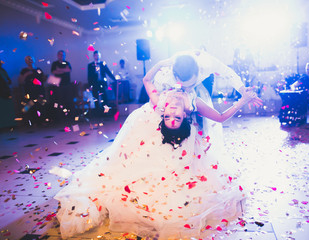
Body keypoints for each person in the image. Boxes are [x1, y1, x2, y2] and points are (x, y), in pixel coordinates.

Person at [54, 58, 257, 239]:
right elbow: (221, 117)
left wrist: (160, 65)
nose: (172, 114)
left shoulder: (160, 101)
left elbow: (146, 81)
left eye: (170, 117)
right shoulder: (192, 103)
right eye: (174, 117)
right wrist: (243, 100)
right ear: (185, 116)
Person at [19, 56, 47, 124]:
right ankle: (34, 123)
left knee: (41, 106)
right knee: (31, 107)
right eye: (28, 59)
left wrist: (46, 78)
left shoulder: (38, 69)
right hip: (30, 92)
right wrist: (26, 75)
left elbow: (43, 79)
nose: (30, 60)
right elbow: (21, 81)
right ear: (26, 61)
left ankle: (42, 121)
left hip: (40, 91)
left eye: (31, 59)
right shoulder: (24, 71)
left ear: (34, 60)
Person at [50, 50, 75, 118]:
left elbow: (69, 70)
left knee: (69, 100)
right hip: (58, 86)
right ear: (58, 55)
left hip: (67, 84)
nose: (62, 56)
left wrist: (59, 70)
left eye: (63, 55)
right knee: (59, 100)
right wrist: (64, 70)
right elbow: (54, 72)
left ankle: (71, 116)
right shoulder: (54, 63)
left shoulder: (67, 63)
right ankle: (60, 117)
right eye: (60, 55)